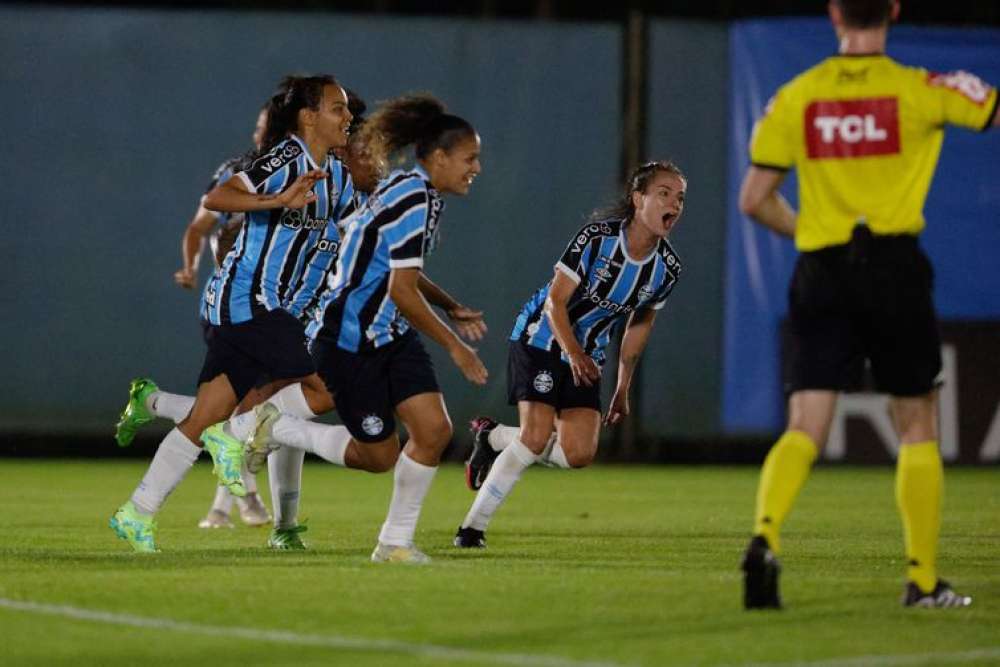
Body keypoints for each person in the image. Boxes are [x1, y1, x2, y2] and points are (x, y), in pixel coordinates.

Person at [737, 0, 997, 609]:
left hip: (821, 269)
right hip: (894, 270)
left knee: (805, 426)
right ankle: (923, 579)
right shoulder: (920, 89)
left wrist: (808, 231)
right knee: (917, 424)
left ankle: (765, 536)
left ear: (834, 15)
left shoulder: (795, 96)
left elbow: (754, 198)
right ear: (894, 12)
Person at [207, 93, 488, 563]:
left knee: (433, 430)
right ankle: (277, 426)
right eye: (469, 157)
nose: (476, 167)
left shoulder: (416, 194)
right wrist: (456, 346)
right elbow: (400, 289)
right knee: (377, 457)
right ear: (438, 157)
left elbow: (399, 270)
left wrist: (451, 305)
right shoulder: (411, 197)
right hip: (347, 337)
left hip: (389, 335)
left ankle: (394, 544)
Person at [109, 74, 355, 552]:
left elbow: (352, 237)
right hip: (247, 300)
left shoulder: (339, 178)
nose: (347, 117)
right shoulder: (286, 157)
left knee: (206, 416)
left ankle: (136, 511)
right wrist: (277, 200)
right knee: (325, 389)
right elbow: (216, 199)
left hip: (268, 309)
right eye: (337, 108)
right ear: (308, 116)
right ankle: (239, 435)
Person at [453, 161, 685, 549]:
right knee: (535, 437)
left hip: (587, 355)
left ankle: (493, 437)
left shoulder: (667, 269)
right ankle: (471, 529)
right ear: (637, 198)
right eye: (664, 193)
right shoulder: (597, 239)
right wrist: (573, 352)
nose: (674, 205)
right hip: (542, 338)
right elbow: (555, 304)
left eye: (680, 198)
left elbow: (639, 326)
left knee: (578, 454)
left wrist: (623, 387)